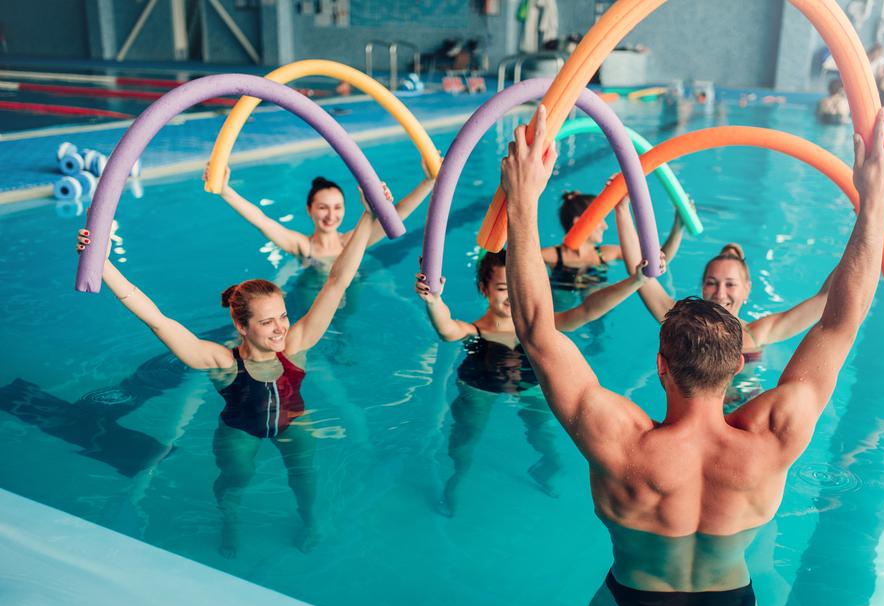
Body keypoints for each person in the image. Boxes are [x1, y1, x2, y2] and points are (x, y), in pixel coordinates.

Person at [500, 104, 884, 606]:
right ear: (738, 365)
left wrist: (522, 202)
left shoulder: (617, 438)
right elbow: (840, 324)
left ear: (661, 366)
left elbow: (536, 330)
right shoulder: (775, 435)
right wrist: (874, 206)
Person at [76, 189, 383, 558]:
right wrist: (102, 264)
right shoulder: (221, 362)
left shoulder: (297, 344)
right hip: (239, 431)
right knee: (235, 481)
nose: (280, 329)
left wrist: (367, 216)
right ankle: (229, 523)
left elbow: (337, 281)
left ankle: (311, 520)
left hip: (292, 422)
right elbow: (156, 319)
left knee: (305, 476)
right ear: (241, 325)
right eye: (267, 322)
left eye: (283, 317)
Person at [415, 248, 655, 516]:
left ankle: (544, 469)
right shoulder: (474, 331)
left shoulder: (539, 330)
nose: (511, 297)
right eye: (503, 288)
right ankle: (454, 483)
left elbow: (587, 311)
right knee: (465, 440)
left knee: (546, 438)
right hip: (479, 386)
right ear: (485, 288)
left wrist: (637, 281)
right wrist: (434, 300)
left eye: (517, 289)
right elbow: (447, 329)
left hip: (529, 385)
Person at [634, 234, 834, 411]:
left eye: (730, 284)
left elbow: (824, 299)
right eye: (711, 283)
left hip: (745, 414)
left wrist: (863, 230)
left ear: (747, 289)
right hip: (700, 421)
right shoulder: (683, 324)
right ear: (703, 287)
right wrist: (622, 209)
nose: (720, 294)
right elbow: (639, 275)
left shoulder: (757, 333)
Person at [205, 161, 434, 267]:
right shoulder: (303, 247)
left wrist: (430, 180)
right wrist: (226, 191)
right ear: (309, 209)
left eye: (337, 207)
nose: (331, 215)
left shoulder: (352, 242)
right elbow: (262, 221)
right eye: (323, 207)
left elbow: (398, 213)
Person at [541, 192, 684, 293]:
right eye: (600, 219)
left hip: (592, 308)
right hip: (562, 305)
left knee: (596, 295)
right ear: (578, 222)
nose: (605, 226)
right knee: (563, 300)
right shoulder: (550, 256)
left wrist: (678, 225)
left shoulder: (605, 253)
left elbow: (657, 259)